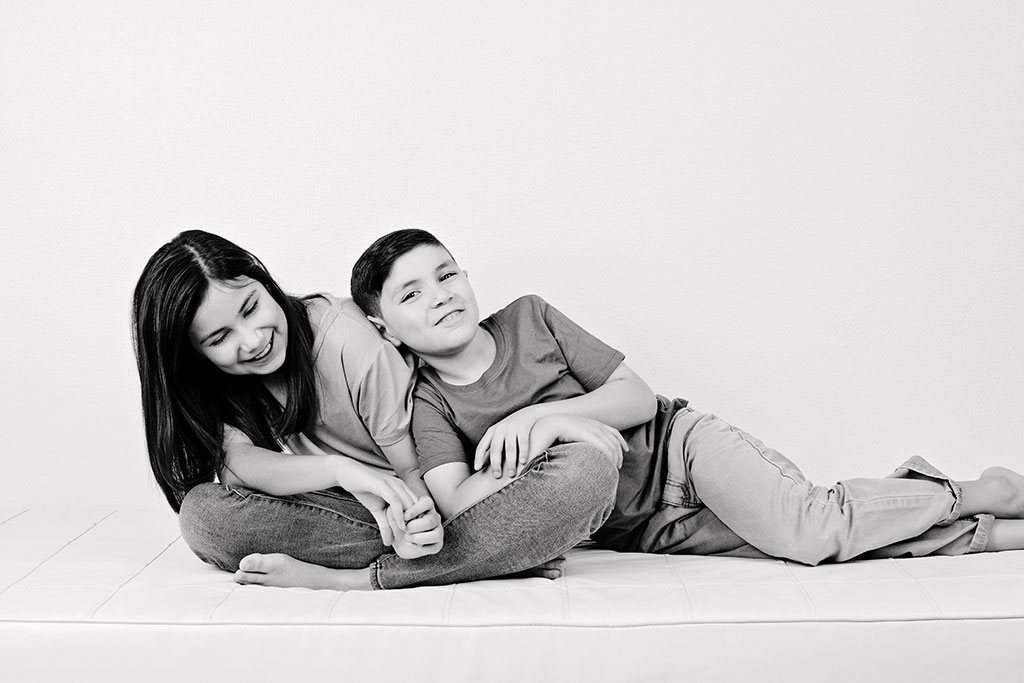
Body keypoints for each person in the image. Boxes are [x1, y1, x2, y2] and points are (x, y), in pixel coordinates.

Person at [349, 228, 1024, 564]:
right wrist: (556, 451)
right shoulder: (428, 403)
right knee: (807, 548)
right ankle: (997, 534)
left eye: (445, 274)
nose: (440, 296)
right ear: (381, 325)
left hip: (682, 451)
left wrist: (546, 416)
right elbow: (457, 499)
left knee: (812, 526)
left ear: (466, 275)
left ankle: (970, 490)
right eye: (411, 293)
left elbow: (636, 398)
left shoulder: (529, 318)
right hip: (644, 523)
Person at [131, 230, 617, 590]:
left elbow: (413, 466)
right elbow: (243, 467)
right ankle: (493, 556)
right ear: (193, 357)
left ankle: (366, 578)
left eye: (252, 309)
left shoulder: (342, 335)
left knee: (585, 472)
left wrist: (414, 523)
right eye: (220, 338)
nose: (253, 340)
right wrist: (341, 470)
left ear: (263, 281)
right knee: (203, 514)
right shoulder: (217, 386)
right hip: (359, 509)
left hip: (436, 496)